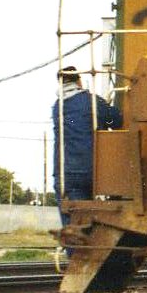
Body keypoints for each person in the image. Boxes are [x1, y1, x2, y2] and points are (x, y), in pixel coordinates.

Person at [51, 66, 122, 227]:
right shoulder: (91, 101)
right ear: (79, 81)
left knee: (73, 225)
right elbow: (117, 121)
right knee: (94, 221)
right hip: (92, 170)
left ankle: (74, 252)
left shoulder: (57, 107)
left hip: (64, 174)